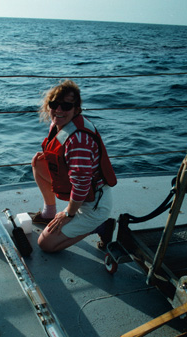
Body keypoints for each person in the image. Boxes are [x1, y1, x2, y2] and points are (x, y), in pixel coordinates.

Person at [30, 80, 117, 253]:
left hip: (94, 203)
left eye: (66, 106)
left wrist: (68, 214)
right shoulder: (58, 124)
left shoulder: (78, 141)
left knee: (46, 244)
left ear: (76, 109)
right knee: (38, 162)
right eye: (54, 104)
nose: (59, 110)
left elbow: (82, 184)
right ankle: (49, 213)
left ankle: (101, 226)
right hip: (82, 191)